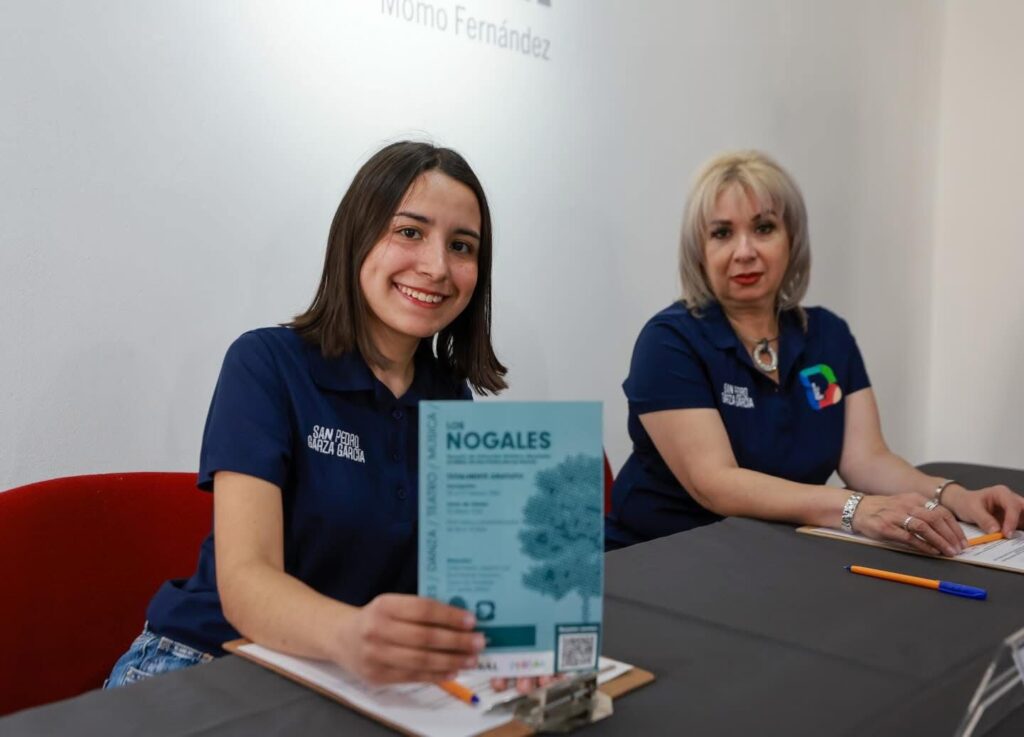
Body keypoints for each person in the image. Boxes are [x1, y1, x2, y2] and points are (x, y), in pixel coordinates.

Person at [107, 141, 509, 688]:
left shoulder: (451, 398)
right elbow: (246, 581)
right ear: (357, 236)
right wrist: (352, 634)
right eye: (409, 232)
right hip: (206, 660)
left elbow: (466, 581)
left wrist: (515, 648)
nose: (437, 267)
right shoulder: (266, 362)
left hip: (346, 680)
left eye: (461, 246)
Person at [604, 150, 1023, 552]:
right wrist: (855, 508)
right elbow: (715, 484)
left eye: (763, 228)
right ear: (699, 251)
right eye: (722, 233)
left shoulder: (828, 334)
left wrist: (956, 497)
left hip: (771, 558)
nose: (745, 252)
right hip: (656, 560)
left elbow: (867, 460)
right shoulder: (668, 341)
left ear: (792, 239)